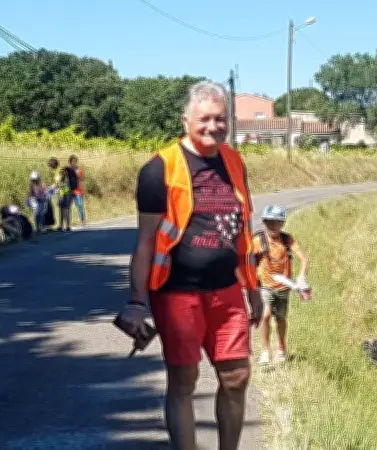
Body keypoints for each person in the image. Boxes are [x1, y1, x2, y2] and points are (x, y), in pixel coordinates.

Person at [118, 80, 263, 450]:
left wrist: (253, 286)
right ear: (186, 120)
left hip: (226, 290)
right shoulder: (159, 169)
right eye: (205, 119)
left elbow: (243, 231)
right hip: (177, 293)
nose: (213, 126)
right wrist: (136, 301)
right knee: (184, 380)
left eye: (220, 119)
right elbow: (146, 241)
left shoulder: (233, 161)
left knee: (237, 376)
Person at [253, 204, 309, 364]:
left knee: (281, 319)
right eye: (269, 222)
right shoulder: (258, 240)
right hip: (265, 286)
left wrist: (301, 277)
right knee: (265, 315)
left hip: (284, 287)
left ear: (282, 223)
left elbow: (303, 259)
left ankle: (281, 348)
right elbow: (246, 260)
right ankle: (265, 350)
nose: (273, 226)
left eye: (277, 222)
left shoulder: (287, 239)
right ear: (264, 222)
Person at [69, 155, 87, 227]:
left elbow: (81, 180)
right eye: (72, 162)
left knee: (80, 205)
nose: (73, 163)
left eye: (75, 162)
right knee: (77, 206)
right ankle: (81, 220)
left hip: (79, 191)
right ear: (70, 163)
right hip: (72, 191)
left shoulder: (79, 170)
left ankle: (83, 220)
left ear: (76, 162)